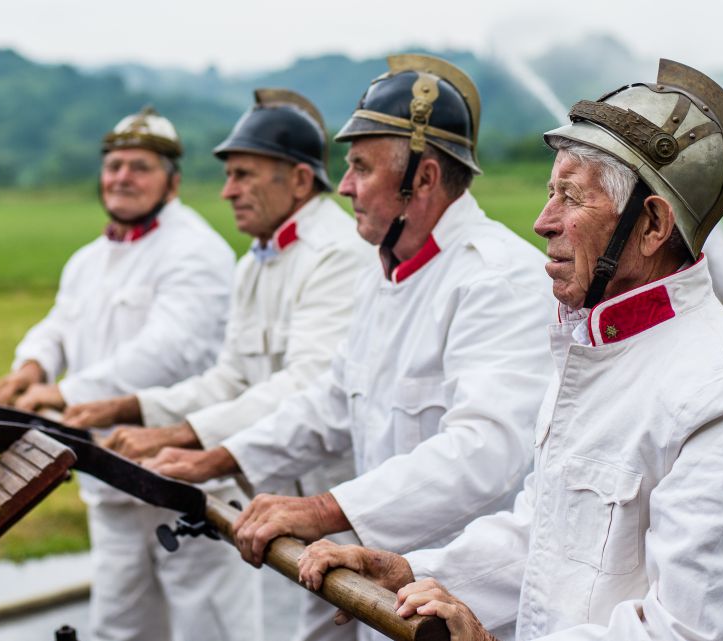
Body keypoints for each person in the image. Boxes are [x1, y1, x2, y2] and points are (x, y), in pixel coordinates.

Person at [295, 59, 723, 641]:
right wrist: (410, 569)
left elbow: (691, 632)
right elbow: (546, 538)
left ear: (651, 225)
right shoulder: (595, 349)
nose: (541, 221)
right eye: (551, 192)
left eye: (570, 198)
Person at [143, 54, 554, 641]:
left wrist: (320, 510)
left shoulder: (497, 280)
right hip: (376, 591)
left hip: (465, 609)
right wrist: (219, 457)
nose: (344, 186)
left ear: (426, 179)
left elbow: (483, 451)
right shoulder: (385, 271)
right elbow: (332, 399)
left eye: (361, 167)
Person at [0, 107, 256, 641]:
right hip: (109, 479)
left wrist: (62, 393)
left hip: (180, 477)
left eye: (140, 166)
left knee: (208, 627)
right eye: (114, 166)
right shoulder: (89, 259)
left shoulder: (195, 250)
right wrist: (32, 363)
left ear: (173, 182)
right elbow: (60, 324)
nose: (123, 177)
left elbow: (168, 351)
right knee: (120, 628)